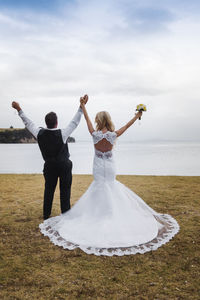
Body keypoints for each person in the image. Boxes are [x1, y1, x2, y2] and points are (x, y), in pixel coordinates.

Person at [39, 99, 179, 256]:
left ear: (99, 121)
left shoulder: (94, 134)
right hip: (110, 167)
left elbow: (86, 119)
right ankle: (111, 214)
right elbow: (126, 126)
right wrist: (137, 115)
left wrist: (83, 106)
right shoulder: (113, 135)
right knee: (111, 187)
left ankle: (99, 215)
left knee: (99, 188)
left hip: (98, 167)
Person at [12, 95, 88, 220]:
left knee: (49, 190)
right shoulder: (62, 133)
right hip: (64, 166)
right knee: (65, 191)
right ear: (56, 122)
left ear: (46, 123)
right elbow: (75, 122)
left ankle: (46, 215)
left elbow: (27, 122)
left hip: (49, 166)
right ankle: (66, 214)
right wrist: (81, 106)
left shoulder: (39, 133)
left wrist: (19, 109)